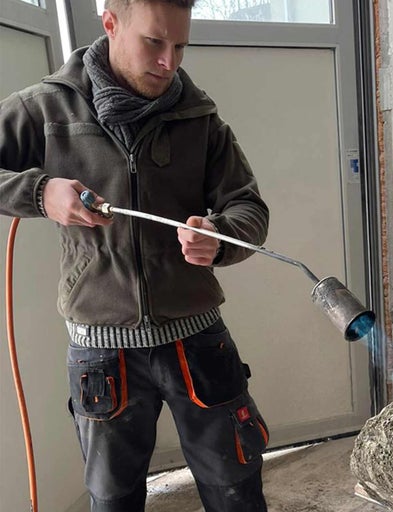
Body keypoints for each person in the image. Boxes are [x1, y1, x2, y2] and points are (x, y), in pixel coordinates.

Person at [0, 0, 270, 510]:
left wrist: (220, 233)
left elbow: (248, 207)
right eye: (154, 42)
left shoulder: (199, 116)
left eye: (180, 46)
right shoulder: (47, 108)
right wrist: (40, 194)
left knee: (236, 488)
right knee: (113, 499)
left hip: (198, 341)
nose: (170, 62)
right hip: (101, 351)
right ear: (111, 24)